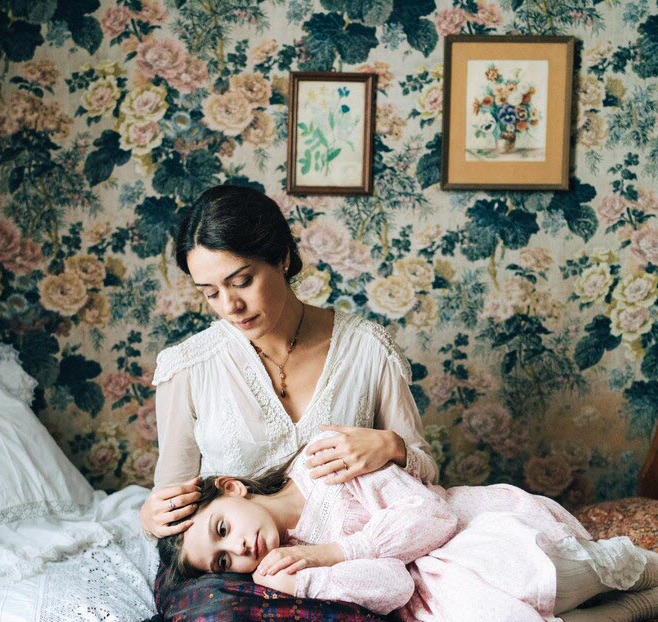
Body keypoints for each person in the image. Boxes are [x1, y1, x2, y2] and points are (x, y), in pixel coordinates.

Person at [155, 434, 658, 622]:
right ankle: (635, 609)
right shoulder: (290, 568)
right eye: (224, 562)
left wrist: (335, 550)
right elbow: (393, 585)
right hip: (433, 591)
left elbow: (430, 516)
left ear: (229, 487)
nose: (240, 551)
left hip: (465, 533)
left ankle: (617, 564)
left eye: (222, 529)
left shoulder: (323, 461)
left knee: (537, 575)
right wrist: (308, 578)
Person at [139, 184, 438, 538]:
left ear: (281, 258)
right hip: (237, 570)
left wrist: (392, 446)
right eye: (211, 293)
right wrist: (151, 517)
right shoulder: (188, 367)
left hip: (349, 558)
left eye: (242, 281)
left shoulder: (368, 349)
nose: (230, 306)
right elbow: (171, 499)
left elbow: (429, 477)